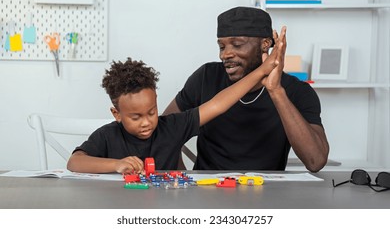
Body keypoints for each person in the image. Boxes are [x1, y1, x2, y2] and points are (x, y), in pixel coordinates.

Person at [67, 44, 283, 174]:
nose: (146, 122)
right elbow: (74, 162)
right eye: (135, 117)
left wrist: (263, 70)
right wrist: (116, 165)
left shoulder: (172, 126)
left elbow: (219, 103)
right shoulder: (107, 136)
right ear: (117, 114)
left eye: (151, 112)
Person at [163, 6, 329, 172]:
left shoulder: (297, 91)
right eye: (222, 46)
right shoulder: (206, 77)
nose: (225, 55)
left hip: (267, 193)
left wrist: (276, 92)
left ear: (265, 44)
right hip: (208, 190)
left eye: (237, 45)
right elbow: (164, 132)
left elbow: (315, 161)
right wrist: (182, 175)